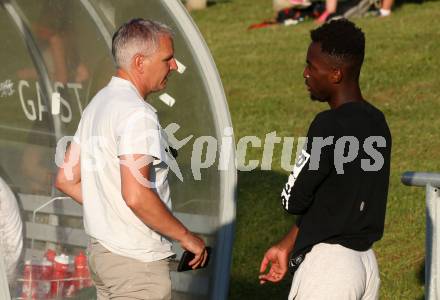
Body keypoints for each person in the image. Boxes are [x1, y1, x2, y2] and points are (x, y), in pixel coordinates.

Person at [55, 18, 207, 299]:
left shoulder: (98, 104)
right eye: (167, 58)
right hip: (137, 267)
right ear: (140, 62)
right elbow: (136, 195)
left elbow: (66, 178)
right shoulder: (138, 114)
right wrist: (186, 237)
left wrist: (112, 209)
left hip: (104, 257)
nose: (173, 66)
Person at [259, 19, 391, 299]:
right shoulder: (377, 122)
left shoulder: (328, 125)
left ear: (335, 75)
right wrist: (289, 242)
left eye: (311, 66)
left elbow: (293, 199)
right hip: (365, 263)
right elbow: (337, 201)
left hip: (330, 268)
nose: (306, 74)